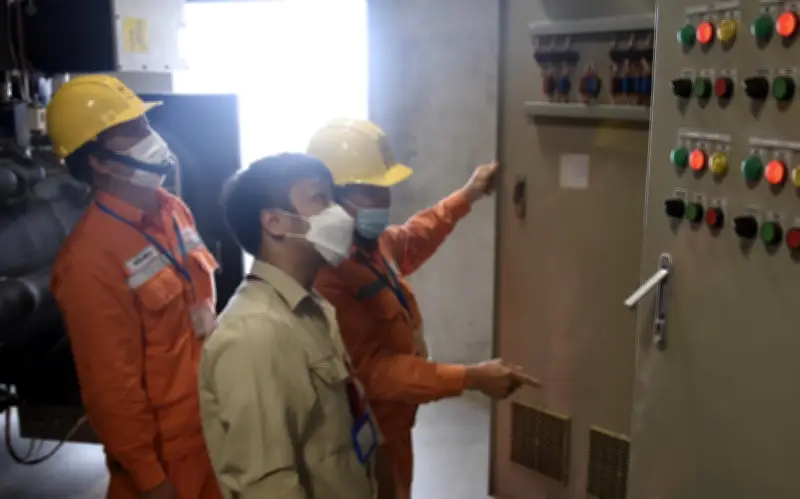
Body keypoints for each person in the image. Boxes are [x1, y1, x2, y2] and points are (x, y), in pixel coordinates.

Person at [308, 118, 542, 498]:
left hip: (395, 424)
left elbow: (414, 237)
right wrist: (469, 377)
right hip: (363, 437)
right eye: (372, 191)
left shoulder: (371, 245)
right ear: (330, 197)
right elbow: (374, 371)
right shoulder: (327, 274)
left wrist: (466, 195)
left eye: (385, 188)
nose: (384, 201)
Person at [48, 75, 221, 499]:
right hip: (167, 457)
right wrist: (150, 478)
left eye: (145, 123)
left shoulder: (171, 208)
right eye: (132, 131)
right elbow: (111, 387)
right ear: (100, 162)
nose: (150, 138)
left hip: (214, 427)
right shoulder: (88, 260)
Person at [199, 154, 382, 499]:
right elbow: (268, 486)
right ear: (274, 222)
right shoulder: (254, 333)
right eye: (320, 199)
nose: (338, 213)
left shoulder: (312, 308)